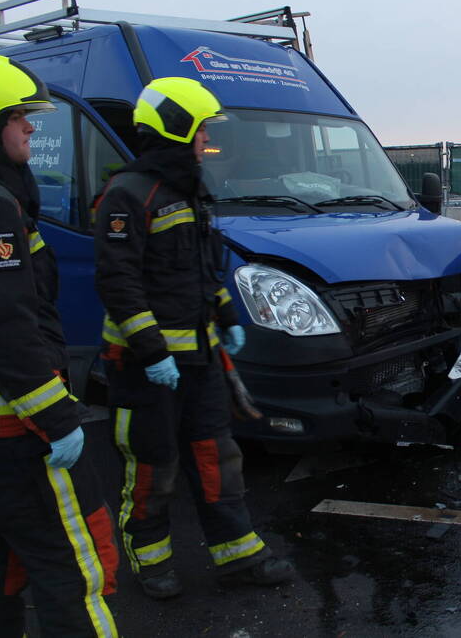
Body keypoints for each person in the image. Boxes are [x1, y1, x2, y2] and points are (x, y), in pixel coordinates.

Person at [93, 76, 293, 599]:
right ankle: (151, 560)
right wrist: (152, 351)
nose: (207, 141)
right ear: (177, 127)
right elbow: (119, 282)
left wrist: (226, 316)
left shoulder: (188, 192)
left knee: (216, 455)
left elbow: (202, 272)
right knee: (152, 464)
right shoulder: (127, 193)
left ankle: (239, 556)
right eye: (202, 130)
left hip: (200, 362)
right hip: (144, 369)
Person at [0, 53, 119, 637]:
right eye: (18, 117)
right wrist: (57, 418)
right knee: (75, 570)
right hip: (15, 428)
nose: (31, 129)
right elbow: (6, 324)